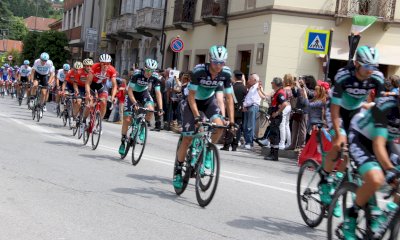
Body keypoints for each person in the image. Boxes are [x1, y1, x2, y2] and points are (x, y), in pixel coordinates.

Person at [319, 46, 385, 207]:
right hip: (337, 109)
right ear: (357, 63)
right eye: (367, 66)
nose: (371, 70)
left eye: (374, 66)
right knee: (339, 143)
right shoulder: (343, 76)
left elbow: (380, 108)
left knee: (352, 151)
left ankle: (338, 181)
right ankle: (325, 181)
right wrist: (339, 133)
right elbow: (335, 110)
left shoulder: (377, 77)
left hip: (356, 110)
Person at [173, 45, 235, 189]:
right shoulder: (199, 71)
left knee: (219, 126)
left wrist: (231, 121)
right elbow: (192, 97)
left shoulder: (225, 73)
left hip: (208, 101)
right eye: (215, 62)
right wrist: (196, 117)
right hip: (191, 102)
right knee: (188, 137)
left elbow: (229, 98)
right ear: (210, 60)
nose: (219, 66)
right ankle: (178, 170)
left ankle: (208, 152)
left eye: (222, 63)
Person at [343, 95, 400, 239]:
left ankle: (384, 216)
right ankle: (351, 216)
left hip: (386, 142)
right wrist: (390, 169)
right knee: (376, 179)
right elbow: (377, 144)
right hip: (362, 138)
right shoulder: (387, 107)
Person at [118, 58, 164, 155]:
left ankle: (143, 127)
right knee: (127, 119)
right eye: (148, 70)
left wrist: (160, 108)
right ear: (144, 68)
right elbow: (129, 90)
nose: (149, 73)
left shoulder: (155, 77)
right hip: (132, 94)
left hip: (143, 93)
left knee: (151, 110)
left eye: (152, 71)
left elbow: (158, 93)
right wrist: (134, 103)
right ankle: (122, 141)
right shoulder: (137, 74)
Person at [85, 54, 118, 124]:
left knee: (103, 102)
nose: (105, 65)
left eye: (108, 63)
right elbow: (88, 83)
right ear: (100, 63)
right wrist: (88, 94)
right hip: (92, 85)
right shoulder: (94, 67)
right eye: (103, 63)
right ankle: (83, 120)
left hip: (102, 86)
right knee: (89, 104)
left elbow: (114, 86)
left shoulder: (112, 70)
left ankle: (99, 122)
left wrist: (112, 96)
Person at [221, 70, 247, 151]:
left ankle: (227, 145)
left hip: (231, 109)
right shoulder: (244, 88)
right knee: (237, 128)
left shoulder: (231, 87)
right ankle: (235, 145)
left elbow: (226, 98)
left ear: (235, 77)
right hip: (239, 110)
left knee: (229, 127)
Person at [264, 77, 287, 161]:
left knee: (274, 135)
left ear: (275, 84)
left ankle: (274, 155)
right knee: (272, 135)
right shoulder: (277, 92)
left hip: (276, 117)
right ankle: (272, 153)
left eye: (272, 82)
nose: (271, 84)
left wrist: (277, 112)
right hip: (274, 117)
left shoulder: (280, 93)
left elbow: (284, 104)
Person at [242, 73, 261, 150]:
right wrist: (244, 105)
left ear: (255, 80)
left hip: (252, 106)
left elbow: (253, 99)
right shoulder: (252, 87)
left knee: (250, 125)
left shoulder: (257, 87)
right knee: (246, 125)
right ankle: (247, 141)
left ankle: (249, 142)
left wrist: (245, 105)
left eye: (250, 79)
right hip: (248, 106)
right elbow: (247, 98)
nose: (248, 80)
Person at [279, 74, 293, 149]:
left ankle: (282, 143)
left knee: (282, 125)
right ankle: (288, 143)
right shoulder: (291, 88)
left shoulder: (284, 89)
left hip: (285, 106)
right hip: (289, 106)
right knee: (287, 125)